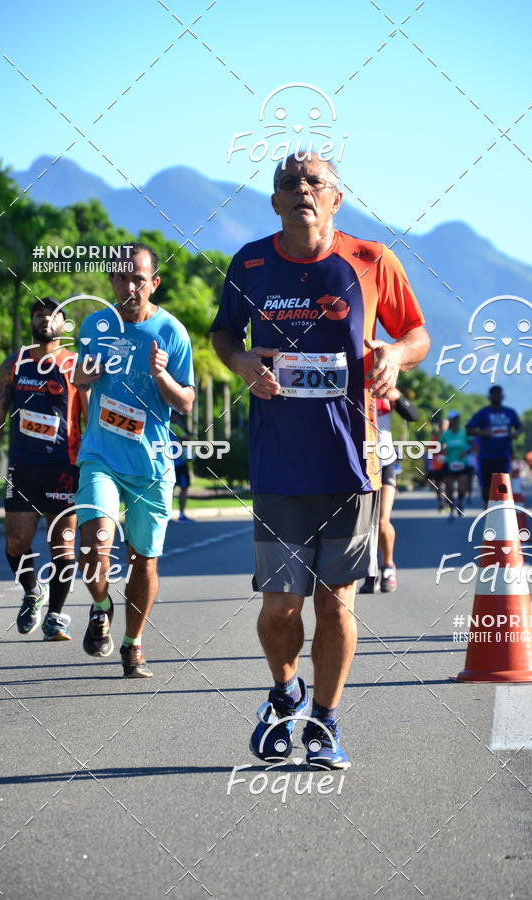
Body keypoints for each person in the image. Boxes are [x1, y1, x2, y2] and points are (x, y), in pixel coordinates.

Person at [211, 152, 429, 769]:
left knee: (336, 603)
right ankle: (285, 694)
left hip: (351, 463)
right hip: (279, 463)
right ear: (275, 202)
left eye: (315, 182)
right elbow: (223, 333)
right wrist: (241, 361)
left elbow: (417, 334)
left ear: (336, 198)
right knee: (280, 606)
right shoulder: (250, 263)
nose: (302, 190)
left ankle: (326, 723)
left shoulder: (371, 260)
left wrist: (395, 355)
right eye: (290, 183)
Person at [73, 243, 195, 678]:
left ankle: (133, 644)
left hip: (151, 464)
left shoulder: (172, 332)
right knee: (95, 541)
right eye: (122, 278)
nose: (129, 287)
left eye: (138, 279)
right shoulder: (95, 324)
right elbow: (80, 379)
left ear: (153, 283)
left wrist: (161, 375)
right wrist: (84, 375)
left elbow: (186, 402)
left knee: (144, 560)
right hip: (101, 455)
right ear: (111, 280)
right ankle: (101, 604)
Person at [0, 297, 87, 640]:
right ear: (32, 322)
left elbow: (89, 417)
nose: (45, 320)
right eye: (39, 315)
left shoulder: (75, 365)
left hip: (65, 467)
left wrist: (93, 464)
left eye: (52, 316)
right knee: (16, 541)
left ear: (63, 324)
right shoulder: (14, 364)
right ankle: (33, 591)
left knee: (62, 545)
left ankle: (56, 616)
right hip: (23, 467)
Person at [358, 390, 419, 593]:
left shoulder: (384, 389)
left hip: (385, 462)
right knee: (363, 524)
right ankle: (370, 571)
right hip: (359, 465)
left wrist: (398, 397)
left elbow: (413, 415)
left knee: (382, 522)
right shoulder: (350, 387)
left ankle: (388, 565)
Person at [466, 385, 522, 506]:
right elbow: (468, 429)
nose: (496, 396)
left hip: (503, 455)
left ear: (502, 396)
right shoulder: (483, 413)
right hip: (485, 456)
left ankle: (501, 510)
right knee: (486, 488)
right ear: (490, 397)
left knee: (502, 485)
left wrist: (515, 434)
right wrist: (482, 433)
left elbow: (519, 428)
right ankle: (487, 508)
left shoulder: (510, 413)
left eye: (498, 393)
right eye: (494, 394)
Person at [440, 410, 469, 520]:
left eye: (457, 418)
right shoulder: (446, 434)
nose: (455, 421)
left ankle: (460, 501)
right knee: (449, 488)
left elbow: (473, 445)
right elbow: (439, 446)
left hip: (462, 463)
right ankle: (451, 507)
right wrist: (442, 451)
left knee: (462, 486)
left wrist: (466, 452)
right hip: (449, 463)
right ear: (450, 420)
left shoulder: (464, 433)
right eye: (453, 419)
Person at [170, 411, 192, 522]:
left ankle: (166, 515)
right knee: (184, 487)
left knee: (169, 489)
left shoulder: (162, 426)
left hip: (167, 463)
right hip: (179, 463)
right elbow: (187, 438)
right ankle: (182, 514)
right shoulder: (175, 427)